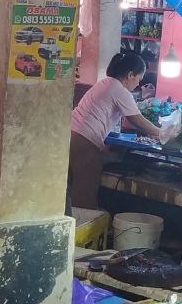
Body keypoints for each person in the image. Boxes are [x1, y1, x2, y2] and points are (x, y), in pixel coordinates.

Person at [68, 52, 170, 210]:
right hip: (84, 142)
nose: (138, 84)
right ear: (130, 75)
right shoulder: (119, 90)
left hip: (70, 136)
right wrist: (162, 133)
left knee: (70, 190)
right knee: (85, 196)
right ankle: (84, 224)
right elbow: (137, 120)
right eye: (139, 79)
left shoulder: (104, 83)